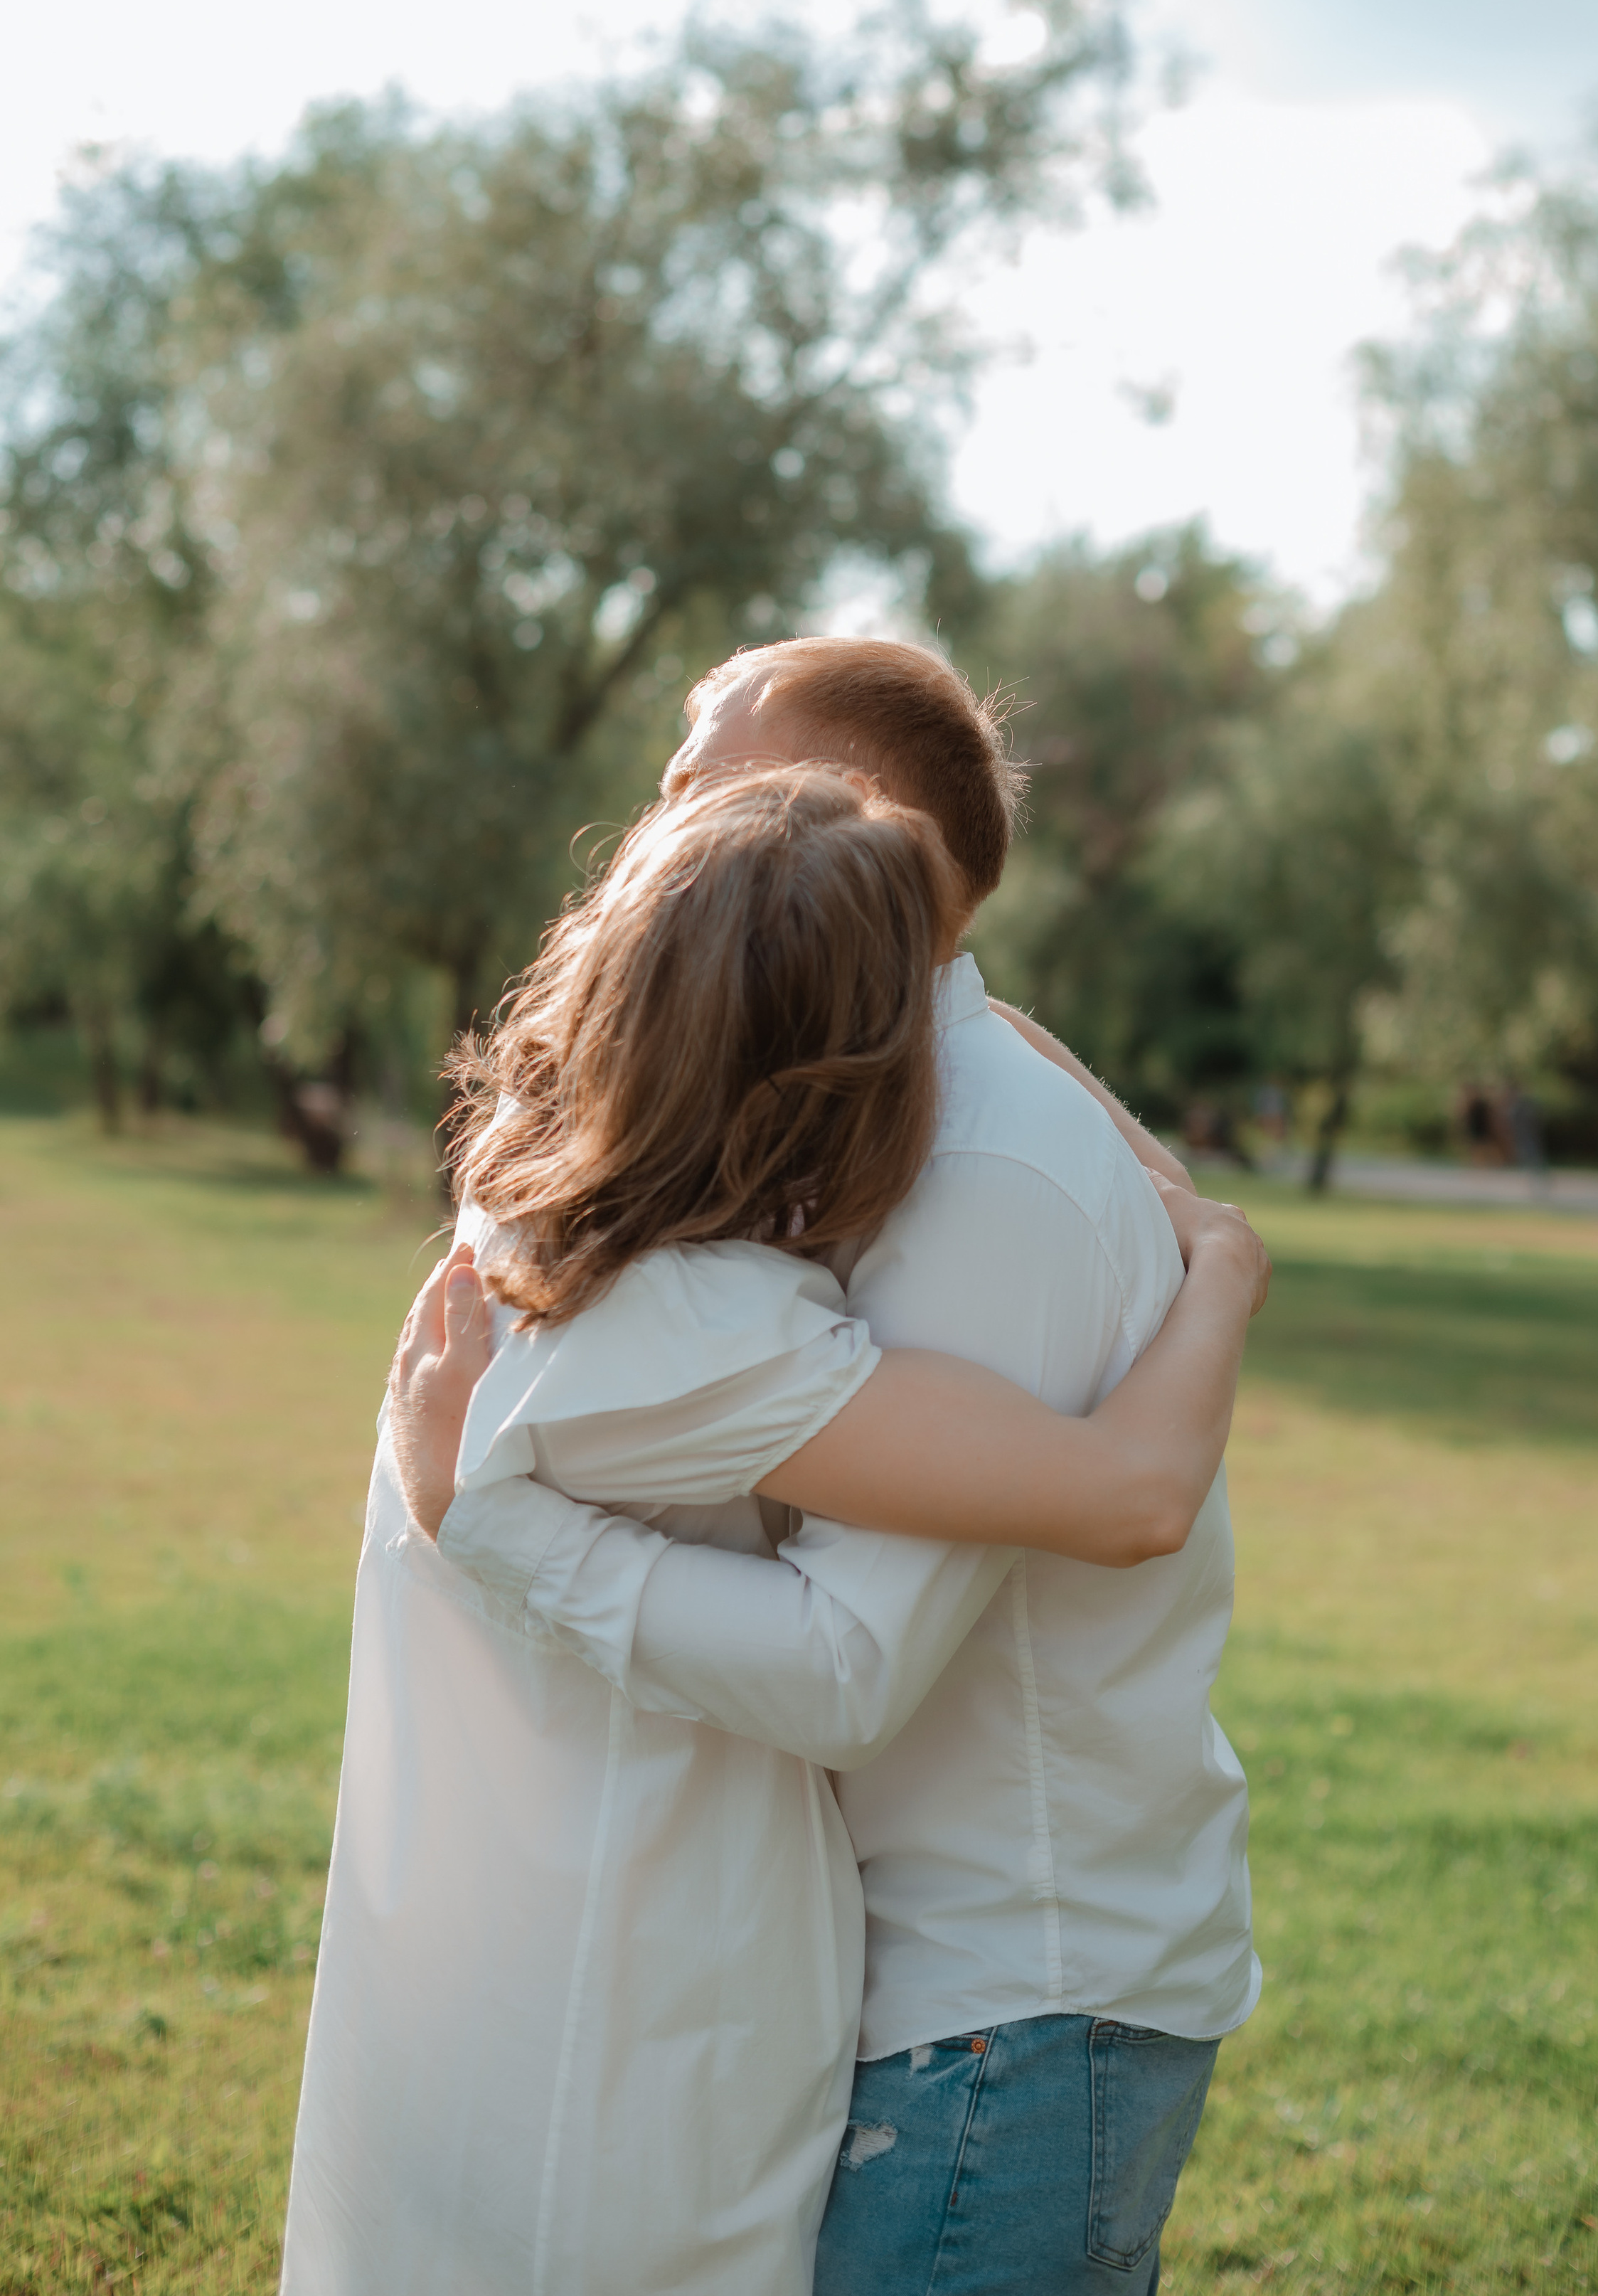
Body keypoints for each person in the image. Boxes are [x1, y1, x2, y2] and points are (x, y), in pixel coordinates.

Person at [282, 757, 1269, 2296]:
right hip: (621, 2025)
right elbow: (1116, 1496)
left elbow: (986, 1025)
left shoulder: (528, 1230)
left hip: (488, 1976)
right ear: (846, 1068)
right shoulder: (698, 1331)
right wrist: (1224, 1274)